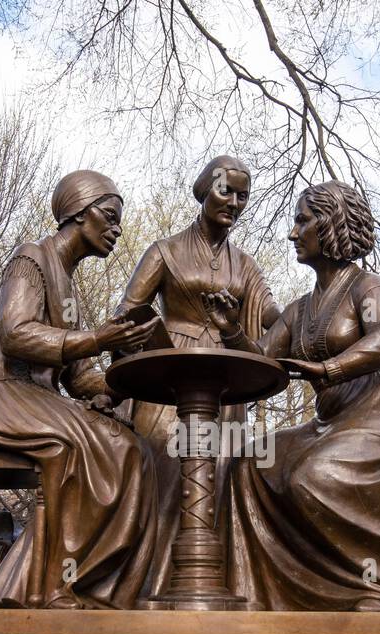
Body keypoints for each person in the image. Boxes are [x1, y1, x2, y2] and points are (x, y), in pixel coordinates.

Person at [209, 180, 380, 611]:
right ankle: (274, 591)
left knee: (312, 475)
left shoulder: (368, 288)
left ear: (329, 224)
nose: (293, 233)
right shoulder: (299, 309)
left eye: (302, 221)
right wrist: (231, 330)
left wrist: (330, 368)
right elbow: (262, 356)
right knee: (248, 465)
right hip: (333, 420)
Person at [0, 170, 161, 609]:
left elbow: (79, 379)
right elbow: (16, 332)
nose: (116, 229)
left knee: (132, 447)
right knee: (72, 444)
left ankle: (91, 585)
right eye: (110, 216)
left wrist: (127, 372)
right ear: (79, 212)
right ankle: (44, 588)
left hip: (29, 400)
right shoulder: (31, 259)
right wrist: (99, 339)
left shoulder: (70, 290)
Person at [115, 155, 281, 597]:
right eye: (226, 190)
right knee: (165, 466)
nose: (234, 202)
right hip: (169, 375)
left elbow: (274, 318)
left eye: (243, 195)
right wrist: (151, 343)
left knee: (224, 473)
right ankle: (149, 588)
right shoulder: (164, 251)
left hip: (226, 380)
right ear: (204, 191)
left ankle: (211, 584)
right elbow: (126, 315)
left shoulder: (245, 265)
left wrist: (311, 319)